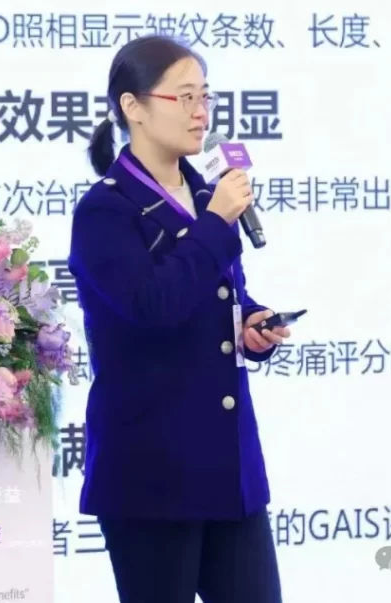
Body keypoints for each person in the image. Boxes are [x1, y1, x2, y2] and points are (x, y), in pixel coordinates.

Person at [68, 35, 290, 603]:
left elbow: (216, 294)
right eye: (184, 97)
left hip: (228, 468)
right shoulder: (105, 210)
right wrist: (215, 222)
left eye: (205, 96)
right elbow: (151, 305)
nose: (201, 112)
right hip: (152, 473)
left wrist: (251, 323)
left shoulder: (206, 193)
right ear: (133, 107)